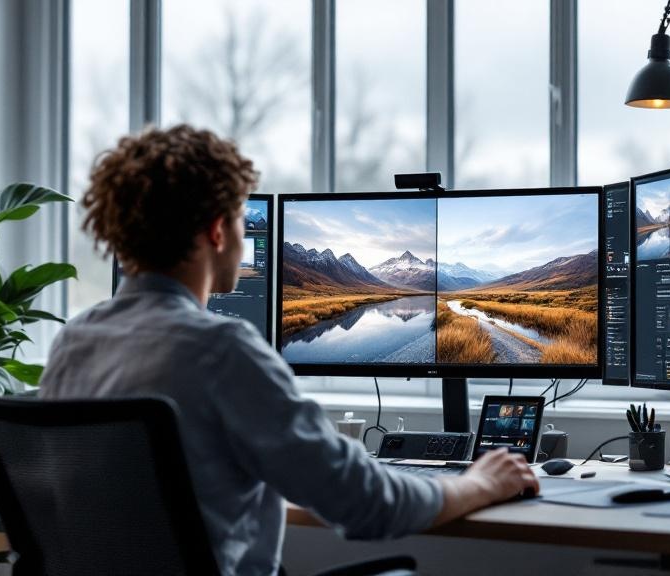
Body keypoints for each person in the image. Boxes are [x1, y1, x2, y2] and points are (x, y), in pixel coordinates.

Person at [39, 125, 540, 576]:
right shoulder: (221, 350)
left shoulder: (72, 344)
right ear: (217, 229)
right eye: (240, 218)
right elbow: (365, 503)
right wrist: (479, 484)